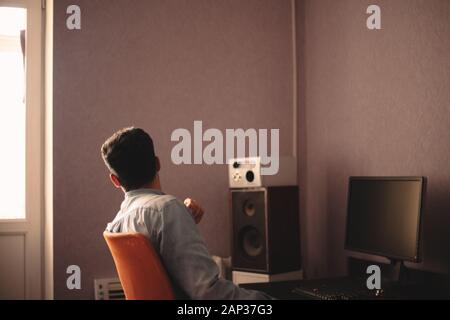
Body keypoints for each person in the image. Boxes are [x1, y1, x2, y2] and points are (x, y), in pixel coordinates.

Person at [101, 127, 271, 299]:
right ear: (158, 163)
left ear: (115, 180)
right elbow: (208, 293)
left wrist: (183, 219)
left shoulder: (117, 224)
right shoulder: (167, 210)